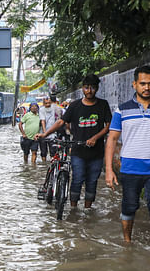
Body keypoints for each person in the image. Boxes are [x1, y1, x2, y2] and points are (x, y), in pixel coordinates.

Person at [105, 65, 150, 251]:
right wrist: (108, 170)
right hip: (130, 168)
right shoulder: (122, 110)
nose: (147, 87)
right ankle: (127, 242)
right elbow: (112, 139)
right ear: (134, 84)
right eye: (143, 84)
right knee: (129, 207)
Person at [41, 74, 112, 209]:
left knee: (92, 182)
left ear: (97, 88)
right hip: (78, 151)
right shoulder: (74, 106)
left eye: (92, 88)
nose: (89, 90)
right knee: (77, 179)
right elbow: (61, 121)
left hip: (97, 153)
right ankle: (73, 210)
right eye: (86, 88)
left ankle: (87, 210)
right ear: (82, 89)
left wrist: (95, 138)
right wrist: (45, 133)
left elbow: (109, 125)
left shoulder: (103, 105)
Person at [38, 94, 62, 161]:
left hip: (53, 134)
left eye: (49, 103)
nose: (48, 104)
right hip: (43, 133)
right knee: (43, 152)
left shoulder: (54, 109)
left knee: (53, 152)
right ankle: (44, 165)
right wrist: (45, 132)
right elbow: (43, 121)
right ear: (43, 103)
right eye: (46, 103)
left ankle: (53, 165)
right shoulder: (41, 110)